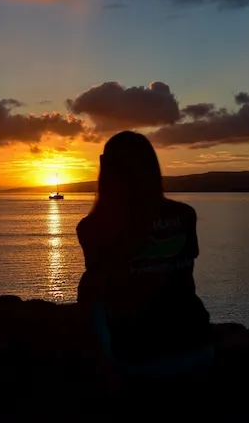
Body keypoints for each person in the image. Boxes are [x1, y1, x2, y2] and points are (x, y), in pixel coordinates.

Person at [77, 131, 213, 379]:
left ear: (106, 170)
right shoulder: (185, 215)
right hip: (197, 347)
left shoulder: (91, 227)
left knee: (89, 285)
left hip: (138, 358)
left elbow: (98, 290)